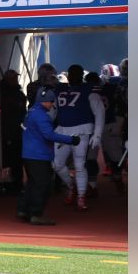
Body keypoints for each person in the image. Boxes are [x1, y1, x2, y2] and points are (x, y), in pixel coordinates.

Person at [20, 88, 79, 225]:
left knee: (32, 184)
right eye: (51, 102)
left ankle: (24, 209)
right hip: (39, 155)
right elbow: (49, 135)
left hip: (29, 153)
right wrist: (71, 140)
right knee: (42, 185)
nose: (52, 105)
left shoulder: (31, 111)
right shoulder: (42, 116)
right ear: (45, 101)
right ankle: (36, 213)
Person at [52, 64, 105, 210]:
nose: (73, 76)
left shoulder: (89, 90)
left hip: (81, 130)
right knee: (56, 164)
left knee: (79, 164)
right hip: (62, 130)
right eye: (71, 73)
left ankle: (81, 196)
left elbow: (99, 112)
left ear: (82, 75)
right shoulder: (60, 89)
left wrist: (97, 133)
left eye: (76, 73)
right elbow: (53, 111)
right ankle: (72, 187)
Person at [0, 69, 28, 196]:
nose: (16, 79)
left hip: (17, 130)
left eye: (16, 77)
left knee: (17, 159)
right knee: (12, 159)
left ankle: (16, 183)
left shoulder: (18, 93)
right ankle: (13, 183)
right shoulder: (2, 93)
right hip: (9, 131)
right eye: (13, 77)